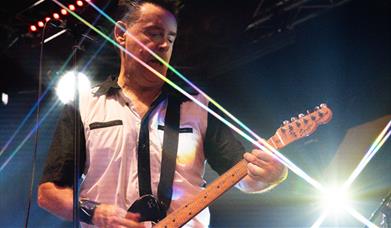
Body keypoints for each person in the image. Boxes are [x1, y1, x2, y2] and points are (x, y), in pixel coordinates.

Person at [37, 0, 288, 227]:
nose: (165, 44)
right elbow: (48, 192)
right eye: (153, 33)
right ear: (121, 34)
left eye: (171, 37)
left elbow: (244, 177)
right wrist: (94, 212)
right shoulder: (85, 104)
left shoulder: (198, 105)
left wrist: (272, 176)